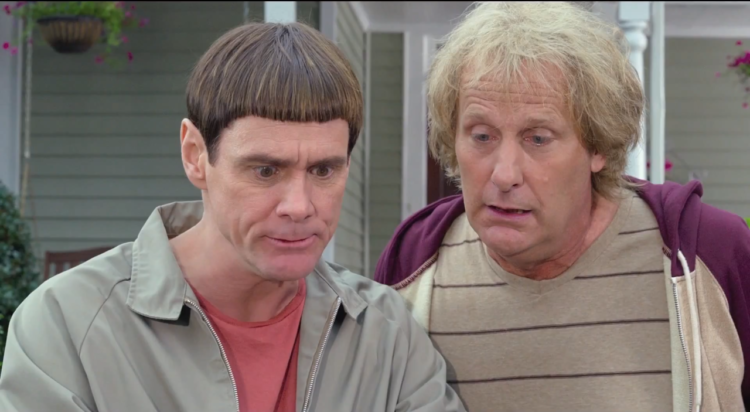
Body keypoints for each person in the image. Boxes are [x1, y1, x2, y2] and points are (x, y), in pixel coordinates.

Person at [0, 22, 465, 412]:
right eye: (265, 170)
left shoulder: (387, 336)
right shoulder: (67, 325)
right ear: (195, 155)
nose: (299, 205)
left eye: (323, 170)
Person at [375, 2, 750, 412]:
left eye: (538, 138)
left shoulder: (707, 255)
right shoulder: (412, 266)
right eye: (482, 136)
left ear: (597, 146)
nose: (504, 174)